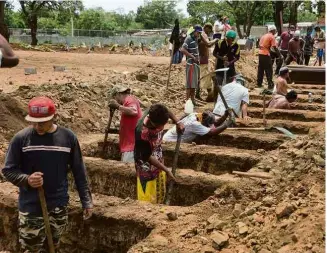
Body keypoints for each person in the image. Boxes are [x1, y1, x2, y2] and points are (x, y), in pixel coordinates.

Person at [2, 96, 93, 252]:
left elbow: (79, 170)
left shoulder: (68, 138)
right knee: (31, 248)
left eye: (42, 122)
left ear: (54, 117)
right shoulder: (21, 139)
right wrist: (27, 179)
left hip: (59, 205)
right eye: (34, 122)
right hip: (31, 207)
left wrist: (86, 201)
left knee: (54, 245)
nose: (38, 126)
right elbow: (8, 171)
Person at [134, 103, 185, 204]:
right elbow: (147, 157)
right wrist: (167, 170)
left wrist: (178, 122)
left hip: (158, 158)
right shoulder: (142, 133)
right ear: (154, 123)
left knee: (160, 192)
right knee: (148, 200)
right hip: (146, 166)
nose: (163, 127)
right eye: (162, 125)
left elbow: (166, 110)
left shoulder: (155, 111)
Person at [108, 85, 142, 163]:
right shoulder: (126, 104)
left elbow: (133, 111)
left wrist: (117, 106)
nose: (115, 100)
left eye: (114, 97)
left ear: (118, 94)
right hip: (129, 147)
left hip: (132, 148)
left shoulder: (129, 99)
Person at [163, 110, 230, 143]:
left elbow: (215, 123)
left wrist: (225, 116)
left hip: (171, 135)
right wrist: (226, 124)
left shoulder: (196, 115)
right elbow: (212, 132)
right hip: (170, 141)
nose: (210, 126)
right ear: (203, 122)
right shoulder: (195, 124)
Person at [213, 30, 240, 101]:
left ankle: (228, 100)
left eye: (231, 40)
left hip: (230, 68)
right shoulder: (220, 43)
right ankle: (215, 100)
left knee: (230, 85)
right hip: (220, 67)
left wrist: (230, 62)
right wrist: (222, 58)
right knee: (218, 84)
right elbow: (214, 53)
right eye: (228, 39)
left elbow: (237, 57)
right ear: (226, 38)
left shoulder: (236, 45)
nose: (230, 41)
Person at [180, 24, 202, 106]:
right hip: (191, 64)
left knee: (194, 84)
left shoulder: (195, 38)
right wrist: (193, 57)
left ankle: (192, 100)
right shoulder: (188, 38)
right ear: (194, 31)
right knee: (189, 84)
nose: (199, 34)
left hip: (195, 64)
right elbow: (182, 49)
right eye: (198, 32)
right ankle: (187, 101)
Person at [197, 23, 218, 101]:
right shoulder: (202, 35)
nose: (209, 32)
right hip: (202, 59)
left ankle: (206, 95)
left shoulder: (203, 35)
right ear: (206, 28)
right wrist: (216, 40)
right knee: (205, 77)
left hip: (204, 59)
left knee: (204, 77)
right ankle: (209, 95)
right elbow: (208, 44)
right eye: (209, 30)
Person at [257, 25, 282, 89]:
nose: (275, 32)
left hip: (260, 54)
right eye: (275, 30)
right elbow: (274, 47)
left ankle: (259, 83)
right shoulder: (271, 37)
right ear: (273, 30)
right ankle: (270, 84)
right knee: (269, 70)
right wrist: (280, 55)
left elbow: (259, 45)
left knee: (261, 69)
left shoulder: (264, 36)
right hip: (265, 54)